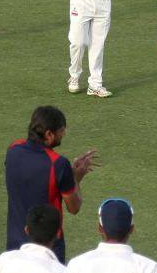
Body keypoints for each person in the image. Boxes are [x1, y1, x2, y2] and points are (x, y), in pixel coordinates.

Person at [5, 106, 96, 264]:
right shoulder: (58, 164)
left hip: (15, 243)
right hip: (49, 246)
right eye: (61, 130)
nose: (64, 134)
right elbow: (74, 207)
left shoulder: (13, 149)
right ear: (49, 134)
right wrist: (75, 178)